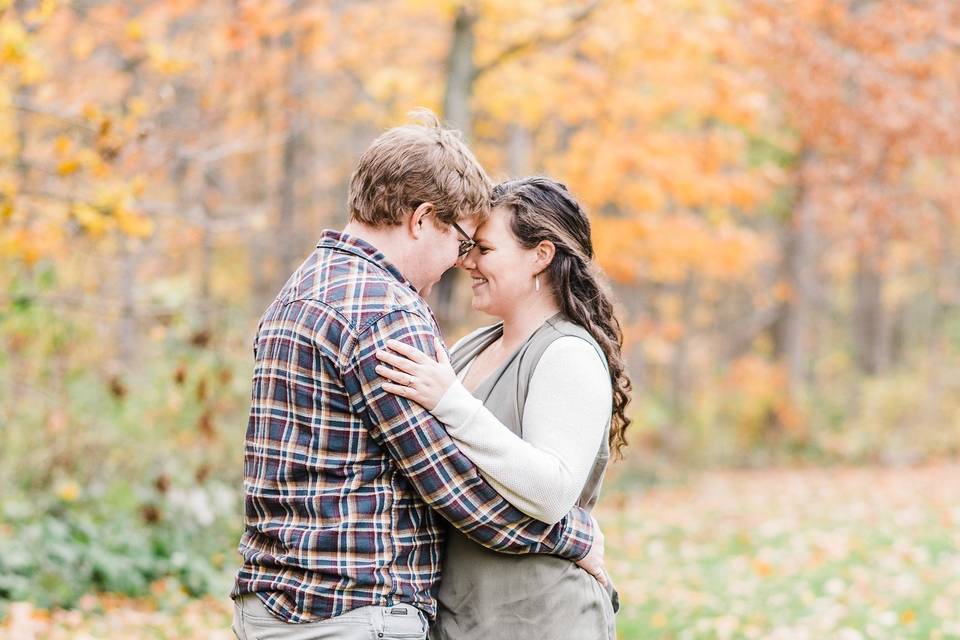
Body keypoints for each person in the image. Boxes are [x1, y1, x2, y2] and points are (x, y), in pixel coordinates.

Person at [230, 114, 604, 640]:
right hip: (351, 611)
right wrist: (575, 536)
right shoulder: (385, 312)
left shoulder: (302, 287)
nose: (460, 261)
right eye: (461, 242)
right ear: (423, 219)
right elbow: (453, 488)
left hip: (272, 606)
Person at [375, 176, 632, 640]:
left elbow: (552, 493)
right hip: (461, 618)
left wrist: (451, 403)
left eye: (485, 250)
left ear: (541, 255)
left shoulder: (566, 352)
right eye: (468, 247)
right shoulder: (474, 346)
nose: (466, 261)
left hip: (543, 620)